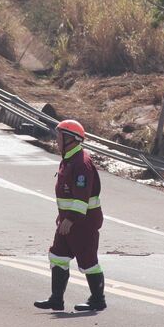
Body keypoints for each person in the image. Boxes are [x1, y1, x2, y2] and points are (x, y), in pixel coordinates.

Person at [34, 119, 106, 312]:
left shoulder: (81, 164)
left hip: (82, 222)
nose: (56, 139)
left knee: (88, 261)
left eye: (60, 136)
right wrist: (64, 218)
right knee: (58, 255)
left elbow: (81, 198)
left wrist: (71, 218)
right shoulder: (68, 160)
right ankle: (56, 299)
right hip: (67, 221)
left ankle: (98, 299)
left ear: (71, 139)